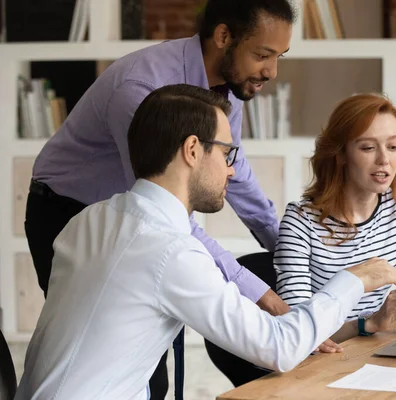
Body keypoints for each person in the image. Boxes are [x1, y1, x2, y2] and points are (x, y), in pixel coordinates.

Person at [14, 85, 396, 400]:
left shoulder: (90, 219)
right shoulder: (168, 251)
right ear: (192, 150)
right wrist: (354, 279)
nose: (232, 170)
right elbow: (279, 346)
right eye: (227, 153)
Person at [23, 0, 303, 397]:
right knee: (125, 356)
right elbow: (159, 209)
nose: (271, 71)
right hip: (68, 210)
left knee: (154, 352)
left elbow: (234, 174)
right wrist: (253, 288)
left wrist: (286, 246)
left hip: (132, 210)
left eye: (279, 56)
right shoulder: (140, 90)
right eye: (263, 54)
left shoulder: (226, 90)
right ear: (223, 36)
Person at [274, 93, 396, 343]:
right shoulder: (300, 222)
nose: (384, 159)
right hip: (321, 361)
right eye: (368, 147)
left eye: (393, 147)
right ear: (340, 154)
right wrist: (369, 323)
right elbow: (297, 331)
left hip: (370, 349)